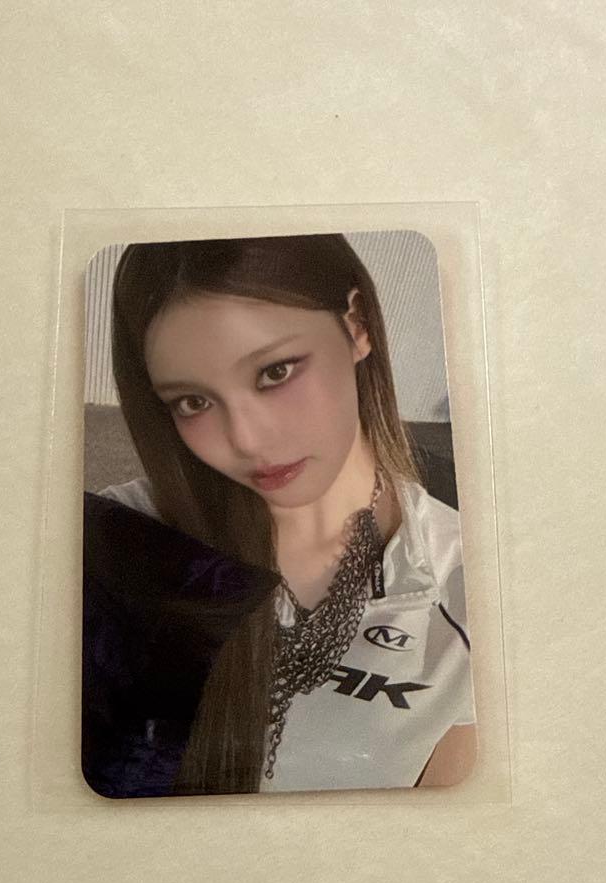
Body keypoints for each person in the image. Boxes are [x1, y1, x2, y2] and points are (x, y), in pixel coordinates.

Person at [83, 233, 476, 797]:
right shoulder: (114, 549)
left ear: (357, 324)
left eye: (275, 372)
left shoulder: (471, 588)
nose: (247, 440)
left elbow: (440, 826)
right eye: (193, 402)